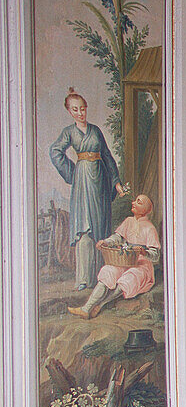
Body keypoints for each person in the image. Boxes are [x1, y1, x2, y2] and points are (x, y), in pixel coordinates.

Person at [49, 88, 125, 290]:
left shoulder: (96, 130)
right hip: (82, 181)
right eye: (75, 110)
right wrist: (72, 173)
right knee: (85, 227)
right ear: (69, 112)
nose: (80, 113)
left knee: (100, 226)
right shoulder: (69, 132)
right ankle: (83, 279)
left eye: (82, 109)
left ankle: (102, 277)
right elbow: (55, 151)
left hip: (100, 180)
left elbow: (107, 156)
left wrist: (116, 181)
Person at [67, 194, 159, 319]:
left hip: (141, 265)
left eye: (138, 202)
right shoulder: (128, 221)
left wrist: (144, 252)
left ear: (146, 209)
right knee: (108, 271)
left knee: (128, 279)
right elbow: (117, 237)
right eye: (135, 200)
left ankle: (100, 304)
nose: (133, 203)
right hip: (125, 259)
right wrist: (105, 242)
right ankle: (86, 308)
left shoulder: (150, 228)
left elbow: (155, 255)